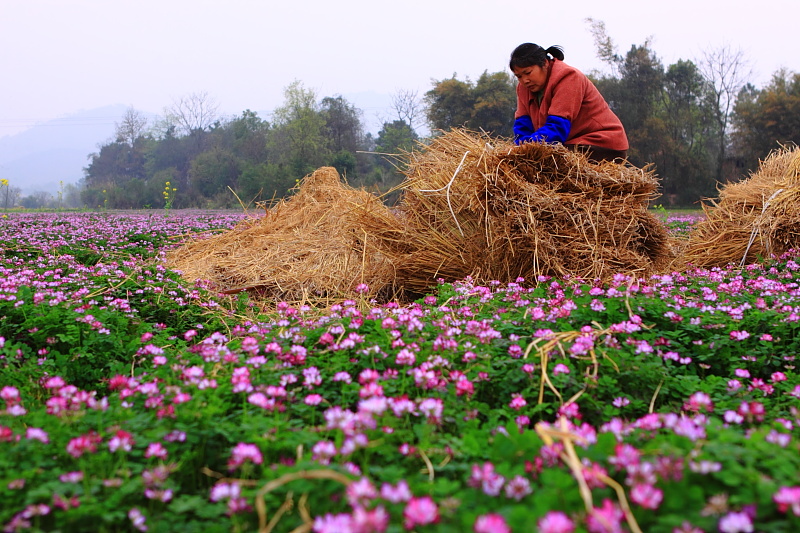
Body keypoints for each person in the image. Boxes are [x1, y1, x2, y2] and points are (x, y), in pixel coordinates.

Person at [510, 43, 628, 162]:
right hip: (568, 143)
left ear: (545, 63)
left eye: (528, 73)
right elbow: (522, 125)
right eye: (519, 76)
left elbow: (558, 127)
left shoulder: (568, 77)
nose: (525, 80)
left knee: (550, 163)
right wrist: (520, 150)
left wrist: (529, 147)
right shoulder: (523, 88)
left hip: (599, 143)